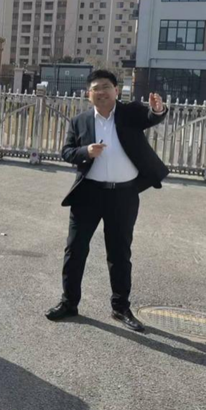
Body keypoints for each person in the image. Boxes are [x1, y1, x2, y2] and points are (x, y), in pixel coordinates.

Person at [45, 69, 169, 332]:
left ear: (116, 90)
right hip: (88, 194)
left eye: (106, 87)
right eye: (95, 88)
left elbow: (150, 117)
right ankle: (69, 303)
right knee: (75, 250)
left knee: (119, 253)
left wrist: (158, 110)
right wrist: (85, 151)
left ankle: (120, 307)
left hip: (123, 195)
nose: (101, 92)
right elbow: (66, 152)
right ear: (88, 94)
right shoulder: (80, 121)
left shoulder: (129, 113)